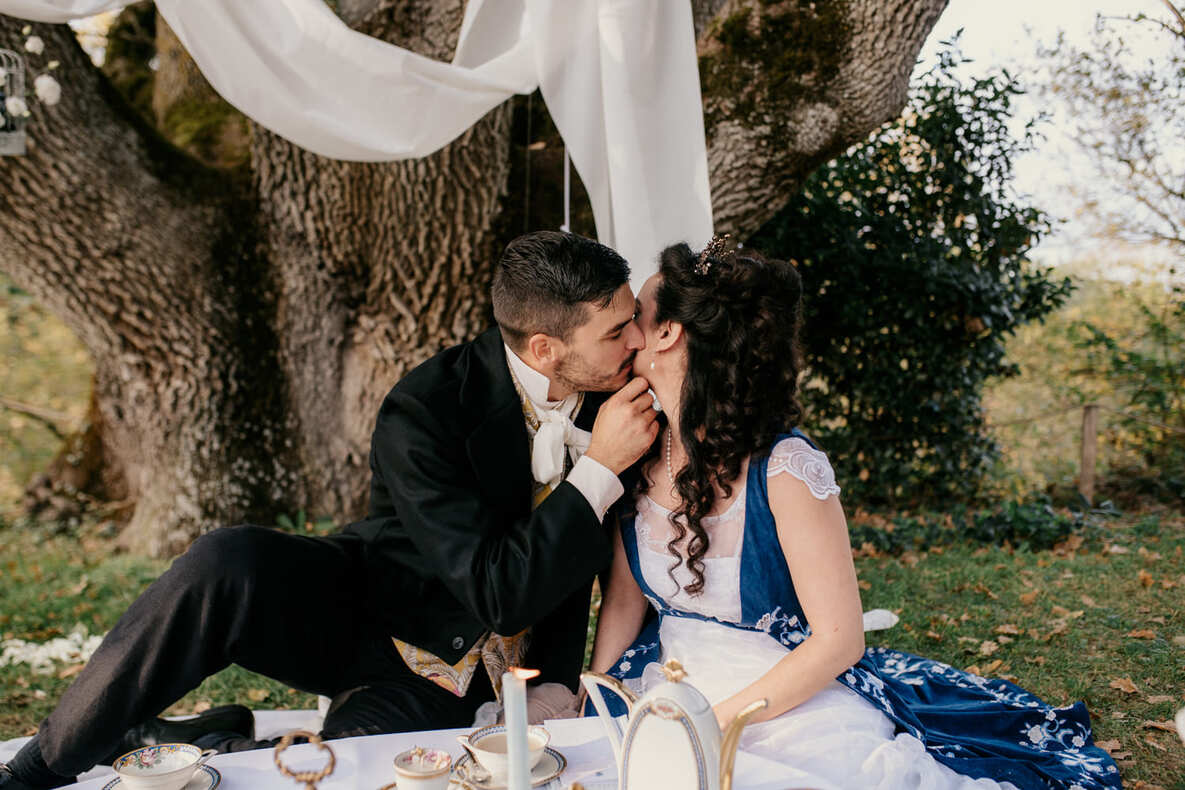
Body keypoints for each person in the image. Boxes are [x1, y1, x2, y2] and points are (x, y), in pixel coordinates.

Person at [0, 230, 659, 790]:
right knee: (227, 558)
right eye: (616, 329)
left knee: (360, 763)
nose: (635, 340)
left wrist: (557, 678)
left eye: (632, 318)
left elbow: (594, 562)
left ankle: (225, 741)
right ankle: (35, 771)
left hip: (475, 683)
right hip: (373, 616)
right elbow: (499, 593)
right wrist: (597, 469)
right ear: (545, 347)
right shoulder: (425, 410)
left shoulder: (617, 400)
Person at [587, 238, 1121, 790]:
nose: (625, 333)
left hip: (782, 701)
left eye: (636, 317)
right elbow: (624, 600)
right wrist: (595, 697)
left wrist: (710, 725)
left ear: (669, 333)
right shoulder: (636, 445)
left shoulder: (786, 469)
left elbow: (840, 641)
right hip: (663, 682)